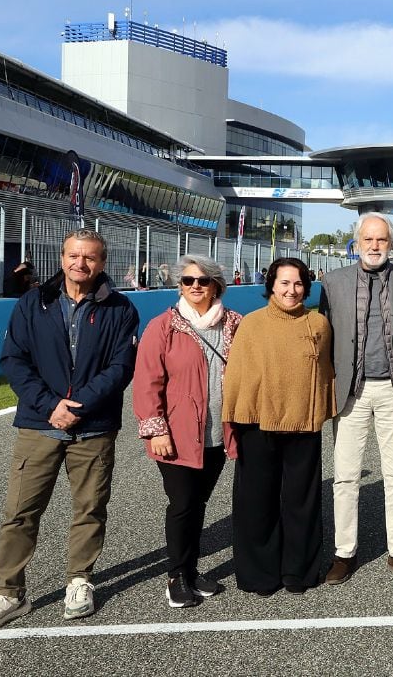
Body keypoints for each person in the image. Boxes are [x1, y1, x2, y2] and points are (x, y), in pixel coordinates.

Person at [0, 229, 139, 634]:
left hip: (94, 425)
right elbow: (13, 360)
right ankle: (9, 592)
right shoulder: (34, 303)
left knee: (89, 508)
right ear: (62, 258)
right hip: (39, 423)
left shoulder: (121, 310)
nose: (79, 264)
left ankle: (79, 580)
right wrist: (51, 406)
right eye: (73, 256)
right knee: (19, 512)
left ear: (102, 263)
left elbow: (120, 369)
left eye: (89, 258)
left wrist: (78, 406)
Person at [319, 213, 393, 584]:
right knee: (345, 477)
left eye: (381, 240)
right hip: (351, 391)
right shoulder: (332, 282)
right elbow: (322, 337)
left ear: (391, 244)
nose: (375, 246)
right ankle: (343, 554)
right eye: (368, 240)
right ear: (357, 243)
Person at [221, 257, 336, 596]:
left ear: (307, 286)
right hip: (258, 424)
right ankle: (260, 573)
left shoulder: (318, 325)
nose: (291, 290)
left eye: (298, 283)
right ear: (271, 284)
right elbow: (238, 377)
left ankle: (298, 571)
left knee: (302, 501)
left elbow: (324, 375)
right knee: (257, 501)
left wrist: (321, 412)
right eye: (284, 283)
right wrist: (233, 422)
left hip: (303, 424)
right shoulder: (253, 324)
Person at [133, 255, 241, 608]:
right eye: (188, 280)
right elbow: (147, 382)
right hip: (176, 435)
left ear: (216, 286)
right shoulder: (162, 326)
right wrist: (155, 430)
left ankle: (192, 571)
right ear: (180, 285)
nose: (195, 286)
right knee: (182, 504)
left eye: (203, 280)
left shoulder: (234, 325)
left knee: (198, 502)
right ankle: (177, 575)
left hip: (217, 433)